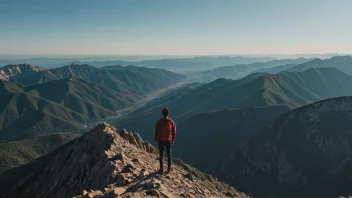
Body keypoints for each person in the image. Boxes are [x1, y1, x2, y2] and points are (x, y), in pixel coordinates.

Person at [154, 108, 176, 174]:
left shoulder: (159, 122)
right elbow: (174, 132)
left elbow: (156, 131)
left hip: (161, 140)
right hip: (168, 140)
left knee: (161, 155)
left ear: (162, 114)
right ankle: (168, 169)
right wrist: (173, 139)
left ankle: (161, 169)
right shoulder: (171, 122)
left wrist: (156, 139)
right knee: (169, 154)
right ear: (168, 114)